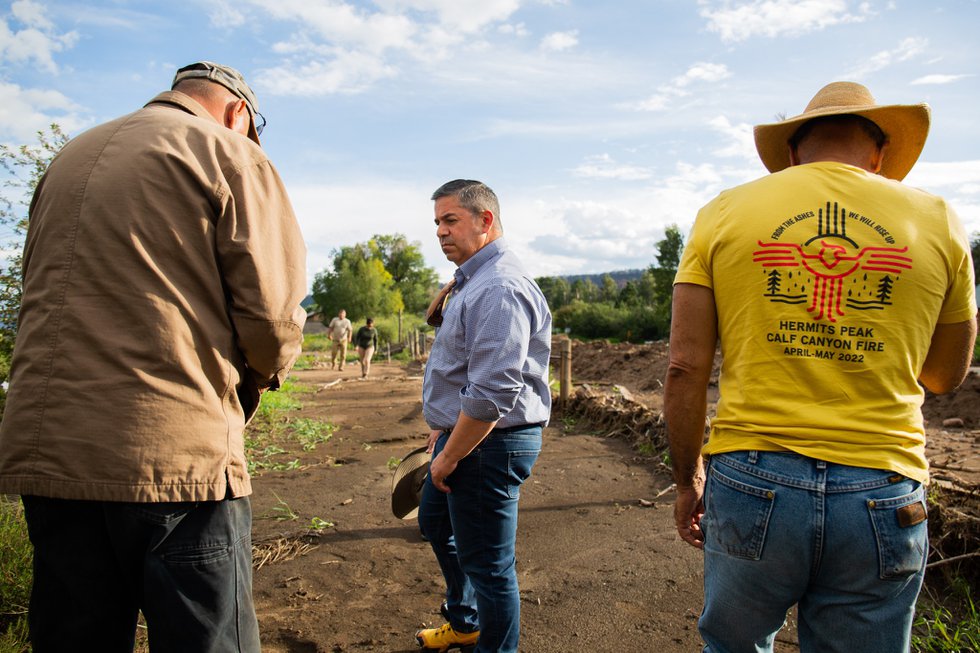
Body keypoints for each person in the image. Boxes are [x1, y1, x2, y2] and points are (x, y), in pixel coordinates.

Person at [0, 61, 308, 652]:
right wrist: (263, 378)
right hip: (175, 458)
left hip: (52, 451)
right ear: (238, 112)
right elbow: (271, 317)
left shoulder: (69, 158)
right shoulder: (230, 152)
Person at [665, 81, 977, 653]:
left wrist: (688, 482)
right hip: (883, 487)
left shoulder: (726, 211)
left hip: (753, 477)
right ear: (880, 155)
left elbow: (685, 367)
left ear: (791, 154)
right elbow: (943, 376)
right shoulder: (938, 219)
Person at [415, 180, 552, 653]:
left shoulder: (500, 287)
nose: (439, 231)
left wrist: (451, 453)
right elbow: (467, 366)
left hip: (488, 443)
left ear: (485, 220)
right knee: (434, 522)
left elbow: (494, 391)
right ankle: (466, 621)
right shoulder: (475, 280)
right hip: (465, 435)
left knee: (491, 569)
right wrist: (442, 427)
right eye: (436, 222)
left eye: (450, 220)